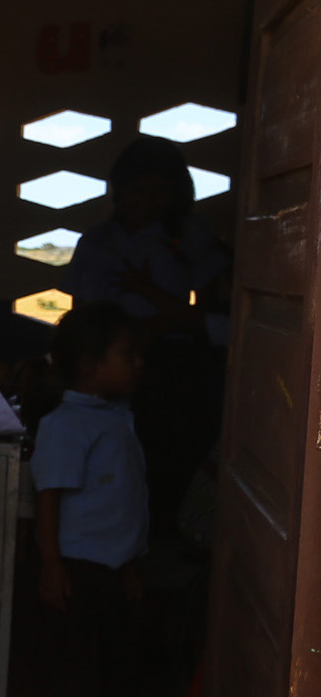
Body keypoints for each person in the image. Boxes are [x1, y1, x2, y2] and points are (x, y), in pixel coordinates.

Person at [62, 136, 229, 532]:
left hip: (174, 364)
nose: (148, 201)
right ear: (119, 191)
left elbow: (207, 317)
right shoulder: (98, 241)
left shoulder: (189, 235)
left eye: (159, 191)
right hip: (104, 363)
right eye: (138, 190)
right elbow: (80, 313)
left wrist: (153, 311)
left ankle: (165, 528)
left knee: (170, 451)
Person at [30, 304, 148, 697]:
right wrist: (52, 565)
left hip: (107, 566)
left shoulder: (114, 417)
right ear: (88, 364)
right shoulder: (67, 424)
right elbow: (49, 497)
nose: (138, 363)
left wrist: (128, 566)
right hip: (76, 567)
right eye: (126, 355)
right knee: (66, 670)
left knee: (93, 666)